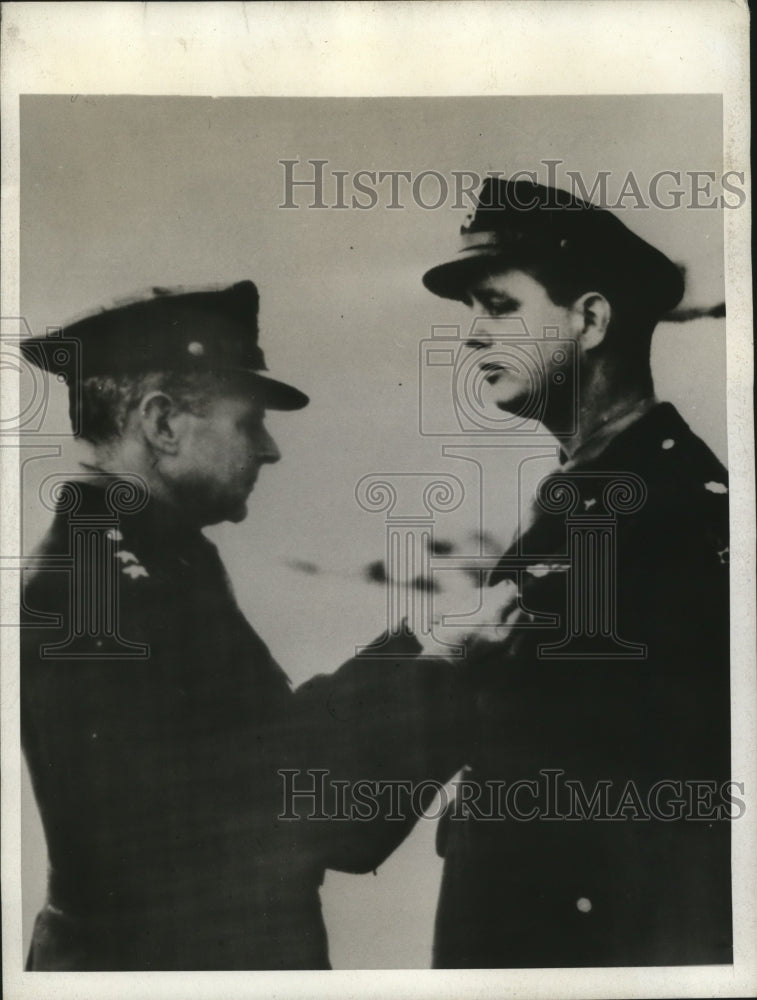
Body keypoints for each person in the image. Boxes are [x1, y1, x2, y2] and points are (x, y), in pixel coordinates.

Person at [20, 280, 466, 971]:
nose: (269, 450)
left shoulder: (146, 556)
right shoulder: (98, 592)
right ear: (162, 422)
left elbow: (261, 744)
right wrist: (443, 673)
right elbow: (282, 816)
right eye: (247, 422)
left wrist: (415, 644)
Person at [420, 178, 732, 967]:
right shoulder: (594, 490)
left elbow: (678, 807)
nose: (470, 337)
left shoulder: (664, 507)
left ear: (589, 319)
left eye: (497, 306)